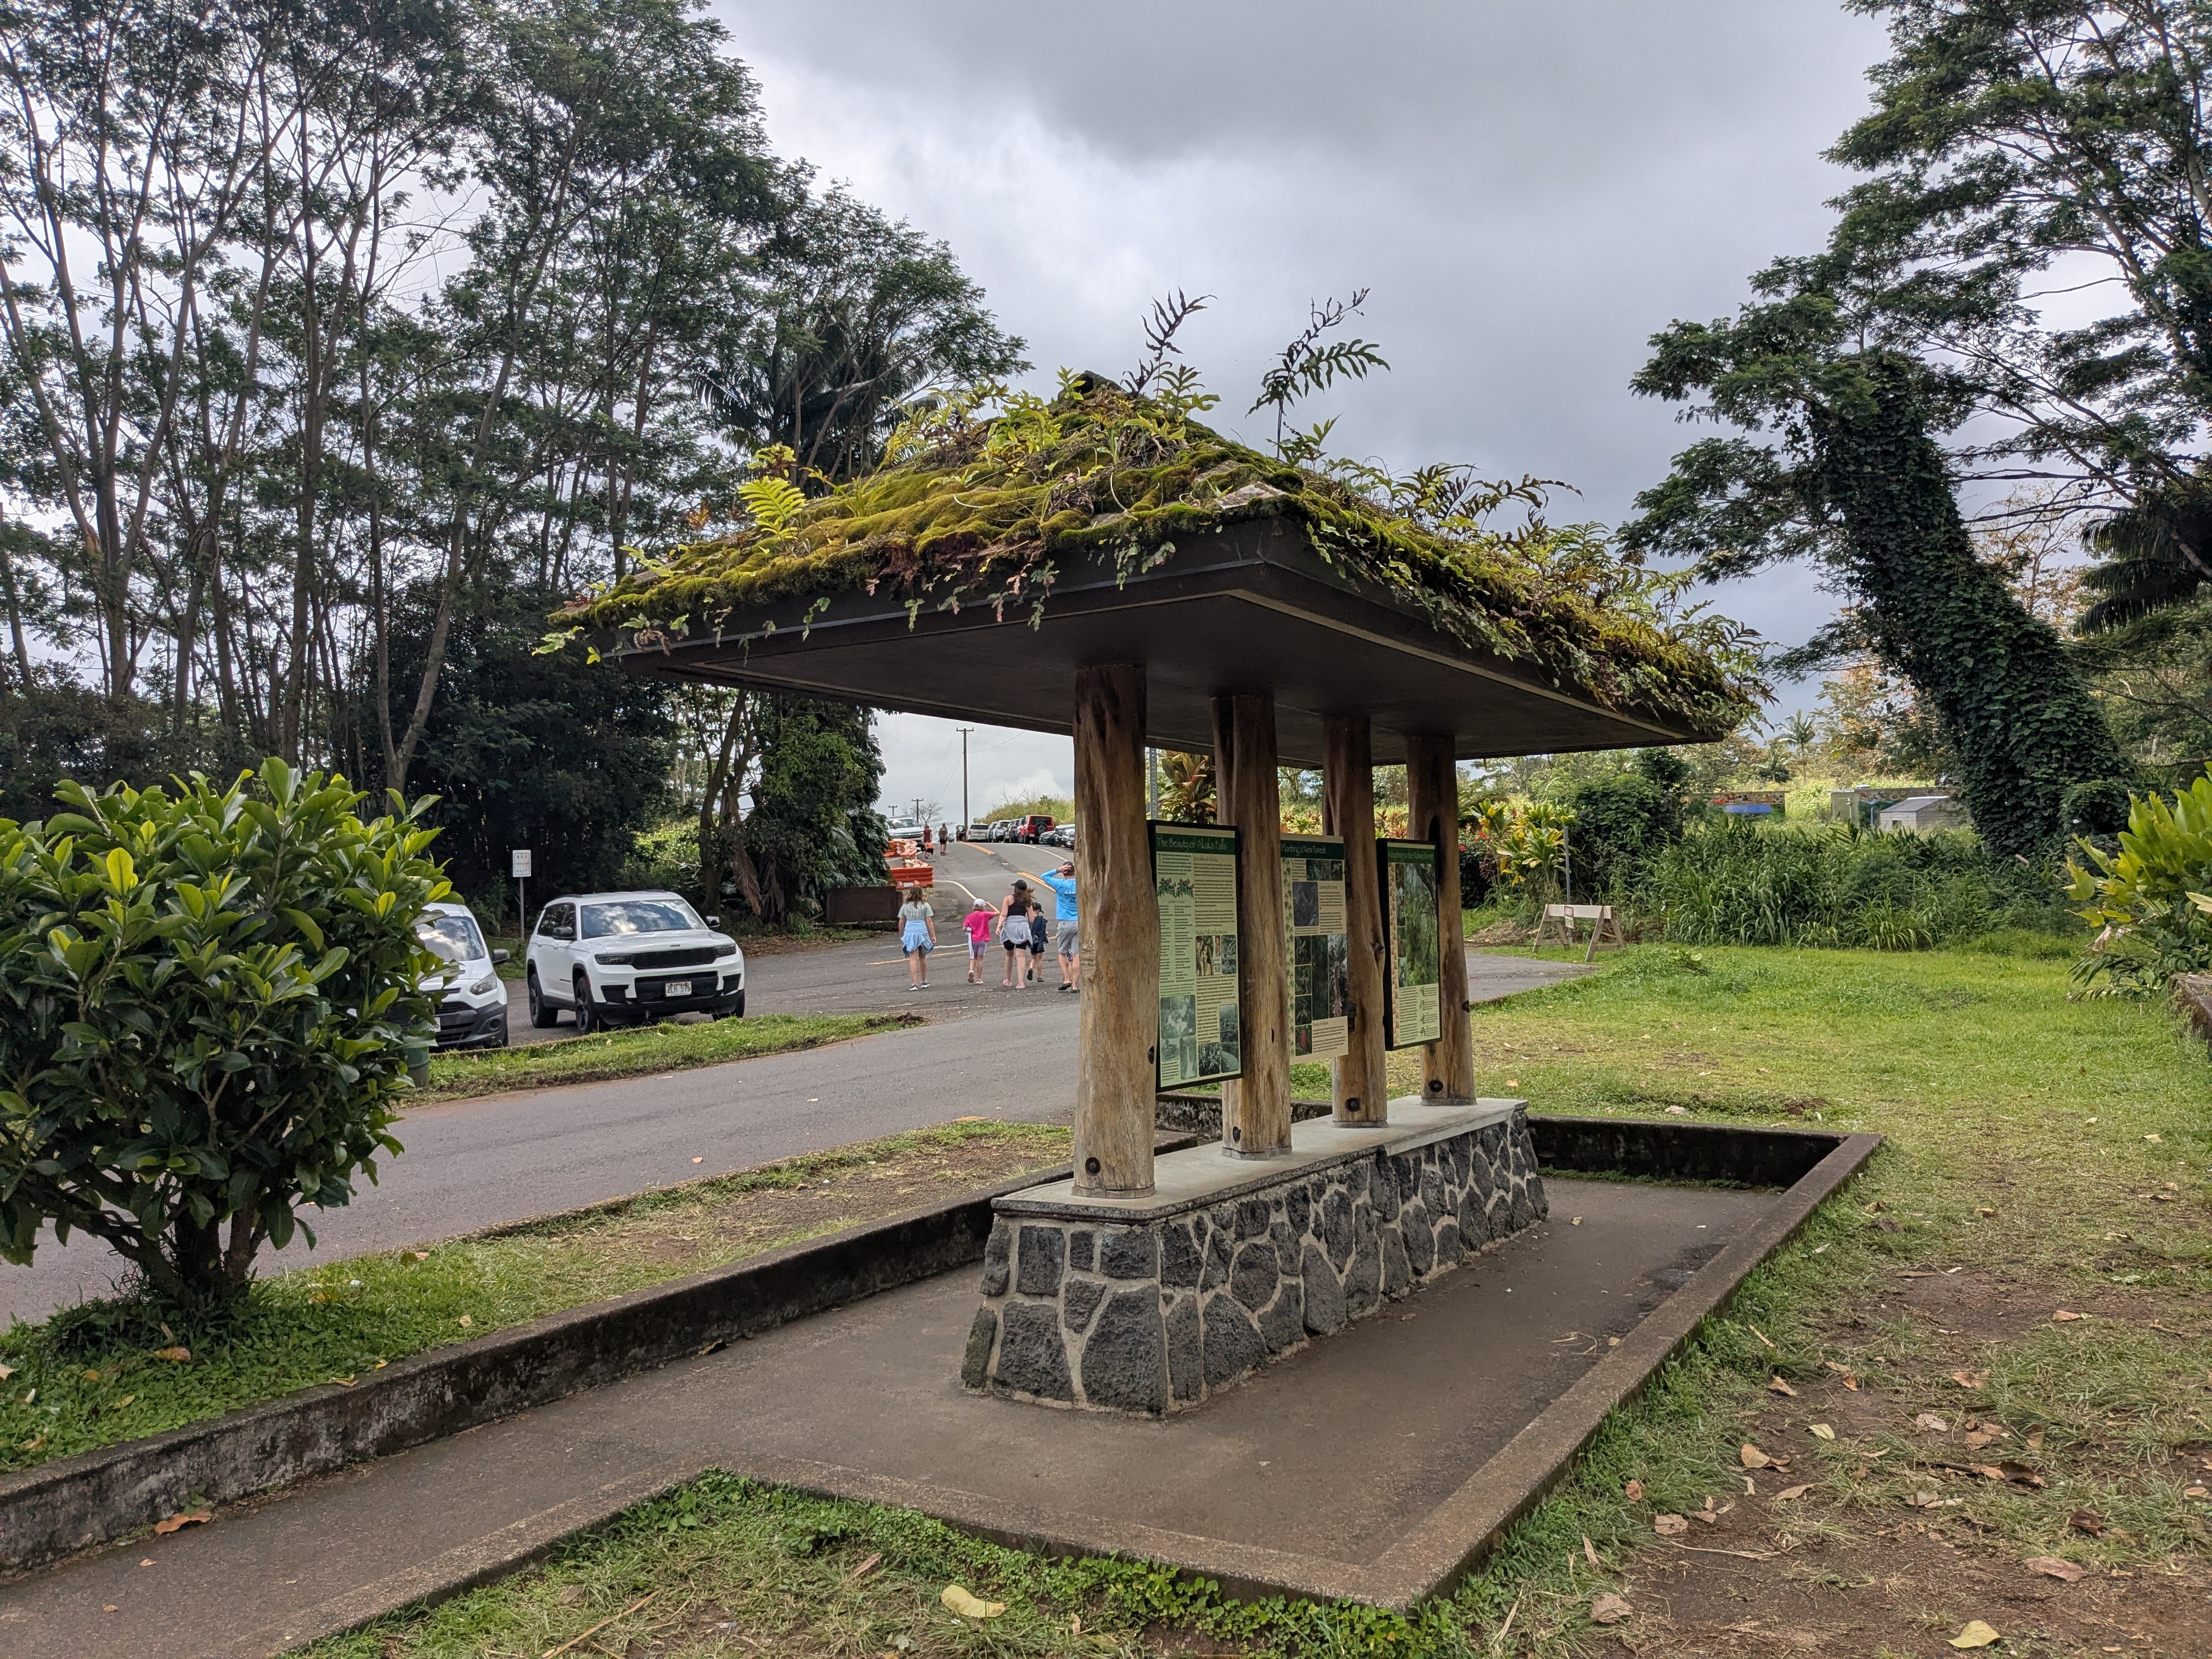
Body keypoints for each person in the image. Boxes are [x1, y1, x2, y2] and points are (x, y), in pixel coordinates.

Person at [1040, 859, 1079, 992]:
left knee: (1062, 952)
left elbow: (1044, 876)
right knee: (1076, 954)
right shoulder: (1080, 884)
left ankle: (1067, 979)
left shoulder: (1060, 884)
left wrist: (1057, 870)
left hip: (1065, 921)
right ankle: (1075, 985)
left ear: (1064, 873)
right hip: (1079, 921)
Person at [996, 879, 1034, 988]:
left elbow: (1004, 914)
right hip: (1022, 927)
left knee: (1009, 954)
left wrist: (999, 927)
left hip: (1010, 928)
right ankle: (1021, 982)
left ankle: (1008, 980)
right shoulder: (1028, 902)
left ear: (1015, 889)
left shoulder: (1008, 899)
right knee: (1021, 956)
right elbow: (1031, 919)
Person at [897, 884, 936, 989]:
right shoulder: (925, 905)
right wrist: (933, 935)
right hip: (922, 931)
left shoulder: (905, 906)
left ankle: (914, 983)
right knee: (923, 957)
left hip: (910, 931)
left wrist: (902, 935)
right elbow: (929, 921)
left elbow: (901, 922)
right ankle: (924, 981)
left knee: (912, 958)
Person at [962, 898, 995, 983]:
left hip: (973, 940)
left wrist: (970, 929)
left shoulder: (969, 917)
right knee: (981, 958)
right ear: (982, 907)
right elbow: (999, 913)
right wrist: (990, 905)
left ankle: (971, 970)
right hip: (983, 939)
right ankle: (979, 978)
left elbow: (964, 928)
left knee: (973, 957)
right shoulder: (985, 915)